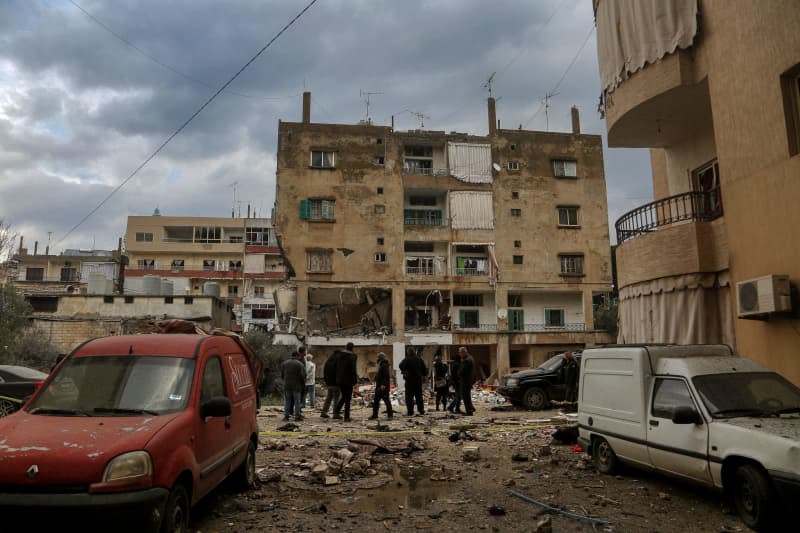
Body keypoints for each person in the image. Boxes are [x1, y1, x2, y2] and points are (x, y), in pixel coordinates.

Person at [399, 346, 427, 416]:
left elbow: (401, 366)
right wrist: (422, 375)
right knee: (419, 396)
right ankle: (421, 411)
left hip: (409, 380)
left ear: (408, 352)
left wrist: (405, 370)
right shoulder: (419, 359)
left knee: (409, 397)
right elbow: (425, 370)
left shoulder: (407, 359)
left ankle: (410, 411)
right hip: (418, 381)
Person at [334, 342, 358, 422]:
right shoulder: (352, 356)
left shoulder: (339, 356)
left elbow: (336, 368)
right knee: (347, 398)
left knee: (344, 396)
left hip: (340, 380)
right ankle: (346, 417)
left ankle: (337, 410)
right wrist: (355, 381)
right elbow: (353, 370)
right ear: (352, 348)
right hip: (349, 380)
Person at [281, 351, 306, 421]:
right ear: (297, 356)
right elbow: (302, 376)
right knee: (297, 401)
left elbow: (282, 375)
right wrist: (303, 384)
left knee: (287, 401)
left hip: (287, 385)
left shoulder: (284, 363)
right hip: (296, 386)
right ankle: (297, 416)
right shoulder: (300, 364)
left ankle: (286, 416)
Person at [369, 352, 393, 420]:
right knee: (377, 401)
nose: (377, 358)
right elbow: (380, 374)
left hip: (382, 387)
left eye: (378, 357)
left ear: (380, 358)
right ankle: (375, 415)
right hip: (380, 386)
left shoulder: (384, 365)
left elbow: (385, 376)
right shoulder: (381, 364)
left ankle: (390, 415)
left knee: (386, 401)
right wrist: (376, 378)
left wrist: (383, 385)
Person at [320, 349, 341, 419]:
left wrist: (326, 382)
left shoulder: (328, 361)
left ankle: (323, 412)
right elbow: (339, 373)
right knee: (336, 399)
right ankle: (336, 413)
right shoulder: (338, 362)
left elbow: (324, 372)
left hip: (329, 383)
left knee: (329, 398)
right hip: (336, 384)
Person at [458, 346, 476, 416]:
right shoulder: (470, 358)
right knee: (467, 396)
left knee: (466, 397)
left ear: (463, 352)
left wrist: (458, 373)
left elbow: (462, 371)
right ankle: (471, 408)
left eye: (460, 352)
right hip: (469, 380)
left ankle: (469, 411)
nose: (459, 354)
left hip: (465, 381)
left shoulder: (466, 360)